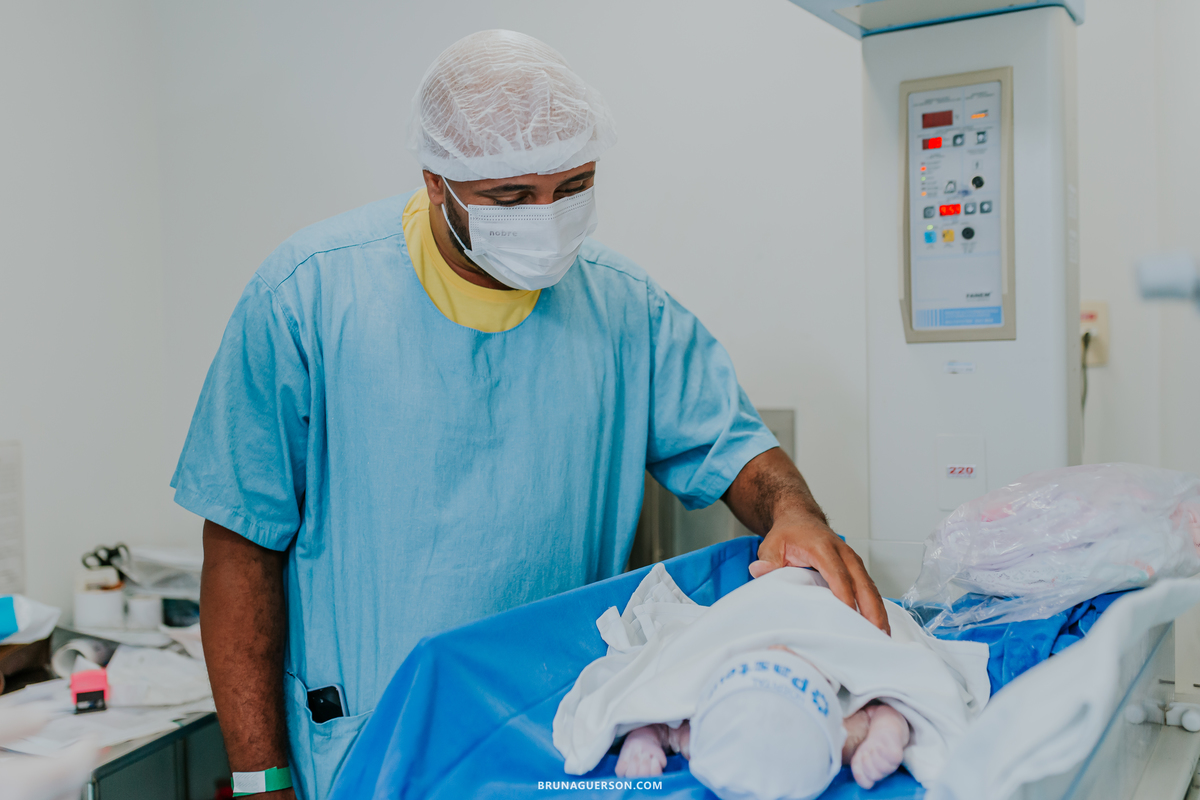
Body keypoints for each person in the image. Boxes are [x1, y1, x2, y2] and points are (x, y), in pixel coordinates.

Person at [173, 29, 886, 800]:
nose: (547, 217)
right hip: (371, 744)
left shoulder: (622, 307)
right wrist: (260, 779)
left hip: (563, 735)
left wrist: (793, 509)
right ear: (437, 181)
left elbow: (733, 444)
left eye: (572, 187)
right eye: (512, 197)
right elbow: (241, 545)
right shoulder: (308, 299)